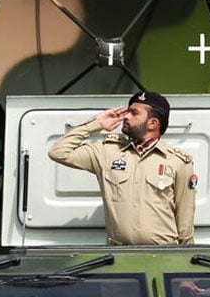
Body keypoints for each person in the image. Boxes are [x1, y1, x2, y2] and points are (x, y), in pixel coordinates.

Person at [48, 91, 197, 245]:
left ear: (153, 123)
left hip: (164, 255)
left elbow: (185, 218)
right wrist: (95, 124)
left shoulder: (178, 161)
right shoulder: (107, 152)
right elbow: (58, 152)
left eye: (134, 113)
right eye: (127, 112)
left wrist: (186, 257)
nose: (126, 117)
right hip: (119, 256)